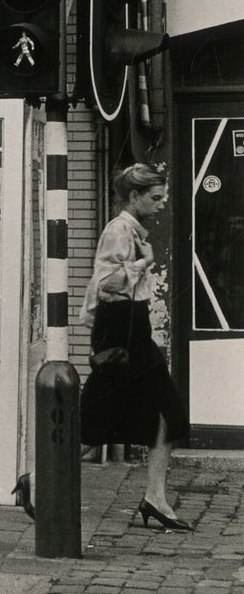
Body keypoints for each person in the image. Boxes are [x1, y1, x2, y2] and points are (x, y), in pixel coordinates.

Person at [77, 163, 190, 531]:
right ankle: (36, 478)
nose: (161, 204)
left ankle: (156, 497)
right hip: (120, 331)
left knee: (167, 412)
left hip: (131, 328)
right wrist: (144, 263)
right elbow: (107, 282)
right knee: (95, 423)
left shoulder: (132, 229)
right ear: (134, 197)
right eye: (155, 198)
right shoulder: (119, 230)